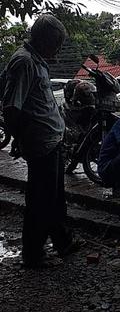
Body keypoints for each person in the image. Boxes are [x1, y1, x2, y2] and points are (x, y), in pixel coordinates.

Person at [2, 14, 75, 268]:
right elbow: (12, 107)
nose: (56, 49)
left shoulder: (37, 59)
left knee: (54, 198)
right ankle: (33, 254)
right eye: (55, 43)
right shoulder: (23, 62)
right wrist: (18, 137)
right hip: (40, 143)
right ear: (44, 39)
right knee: (41, 200)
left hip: (51, 140)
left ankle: (63, 242)